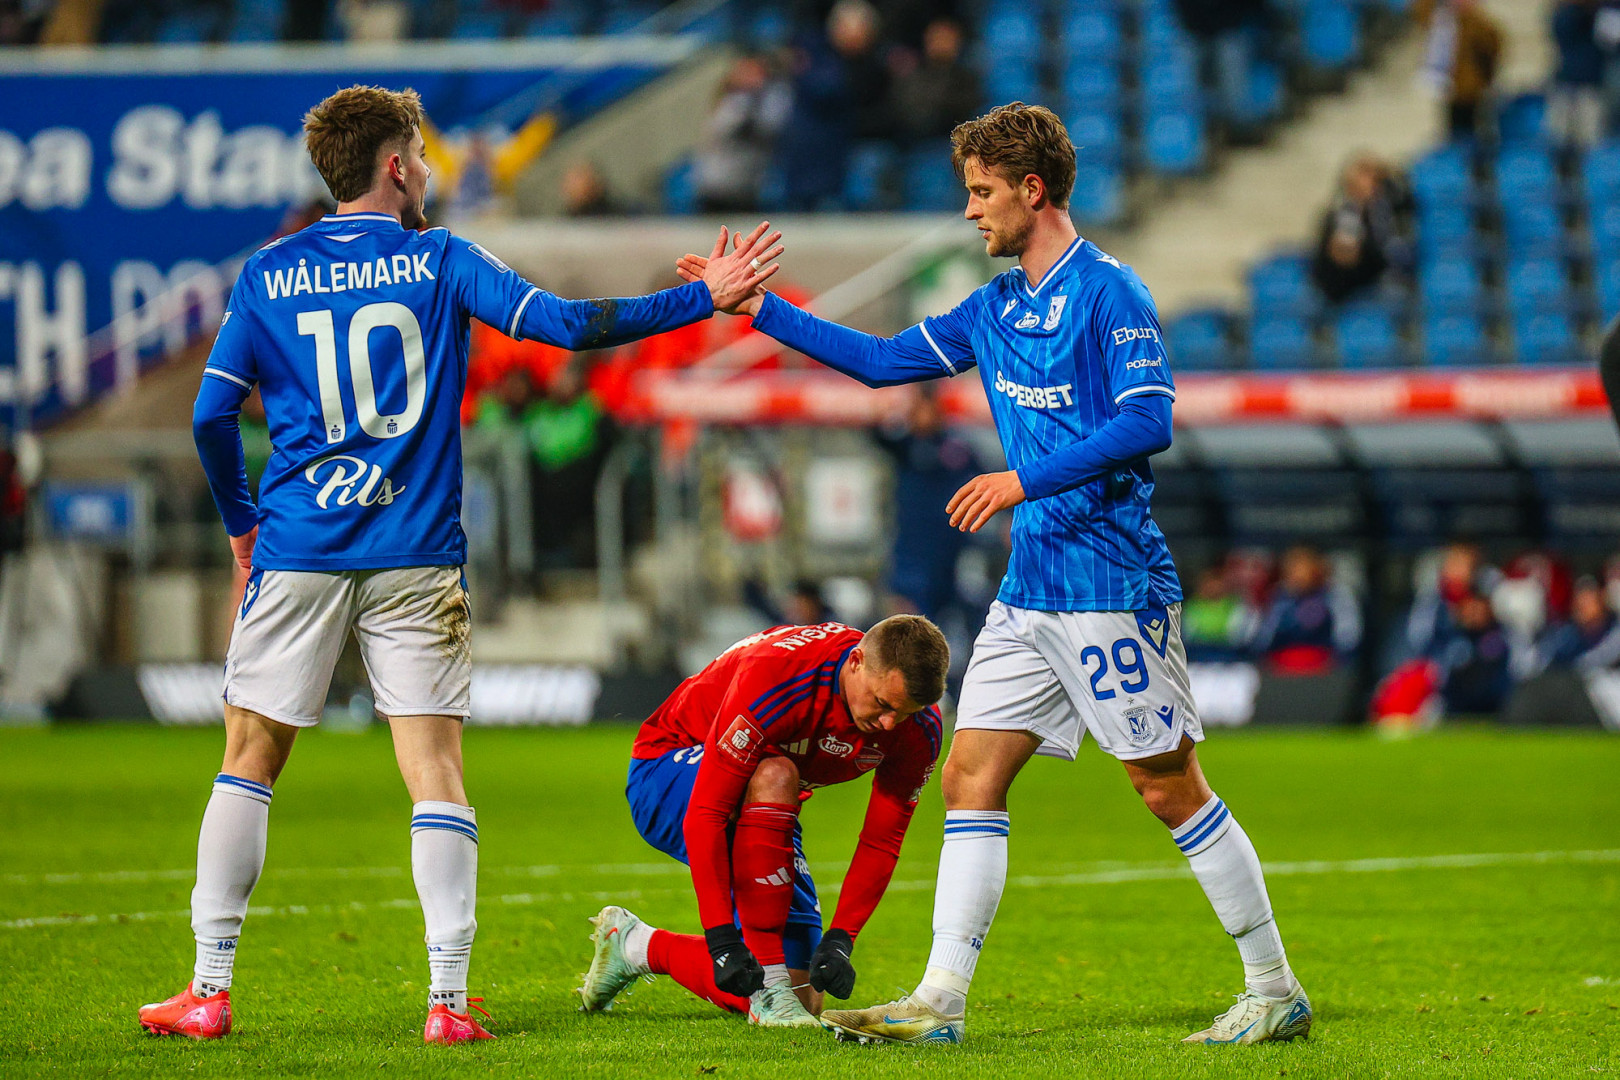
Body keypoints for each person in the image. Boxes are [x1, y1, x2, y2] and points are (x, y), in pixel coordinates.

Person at [139, 84, 783, 1045]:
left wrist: (243, 530)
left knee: (248, 760)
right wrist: (704, 296)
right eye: (423, 155)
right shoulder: (442, 258)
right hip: (416, 549)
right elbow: (570, 326)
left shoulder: (269, 272)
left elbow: (209, 417)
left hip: (300, 544)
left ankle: (208, 990)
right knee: (434, 770)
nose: (431, 172)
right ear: (396, 166)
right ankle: (446, 1004)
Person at [678, 103, 1311, 1046]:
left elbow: (1148, 421)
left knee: (1167, 785)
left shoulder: (1111, 293)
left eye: (981, 192)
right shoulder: (997, 306)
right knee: (969, 774)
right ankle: (940, 1001)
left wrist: (1022, 479)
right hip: (1029, 592)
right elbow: (881, 363)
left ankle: (1274, 988)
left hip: (1109, 584)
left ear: (1032, 189)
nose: (970, 210)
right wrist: (759, 310)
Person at [577, 615, 949, 1027]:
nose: (889, 724)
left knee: (804, 995)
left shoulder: (919, 729)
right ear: (856, 662)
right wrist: (721, 938)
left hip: (762, 802)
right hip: (671, 770)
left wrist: (842, 938)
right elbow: (707, 812)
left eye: (904, 712)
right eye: (882, 704)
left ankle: (635, 946)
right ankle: (769, 991)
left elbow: (882, 840)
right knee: (775, 773)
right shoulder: (781, 675)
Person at [1310, 154, 1410, 304]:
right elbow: (1345, 256)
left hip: (1373, 284)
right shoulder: (1348, 213)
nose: (1377, 187)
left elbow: (1405, 198)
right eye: (1373, 181)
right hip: (1348, 291)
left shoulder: (1380, 213)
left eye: (1378, 181)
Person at [1251, 545, 1361, 675]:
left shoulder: (1335, 595)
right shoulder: (1279, 597)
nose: (1295, 572)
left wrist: (1339, 662)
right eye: (1291, 567)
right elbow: (1263, 638)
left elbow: (1348, 637)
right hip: (1283, 666)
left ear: (1318, 567)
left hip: (1325, 665)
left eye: (1300, 566)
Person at [1415, 0, 1504, 141]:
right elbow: (1421, 13)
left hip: (1472, 89)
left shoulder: (1480, 25)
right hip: (1452, 88)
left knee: (1473, 129)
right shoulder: (1443, 22)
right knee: (1454, 129)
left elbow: (1491, 53)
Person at [1549, 0, 1606, 147]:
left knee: (1589, 141)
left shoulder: (1600, 15)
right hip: (1566, 81)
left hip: (1591, 85)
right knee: (1559, 138)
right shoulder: (1564, 15)